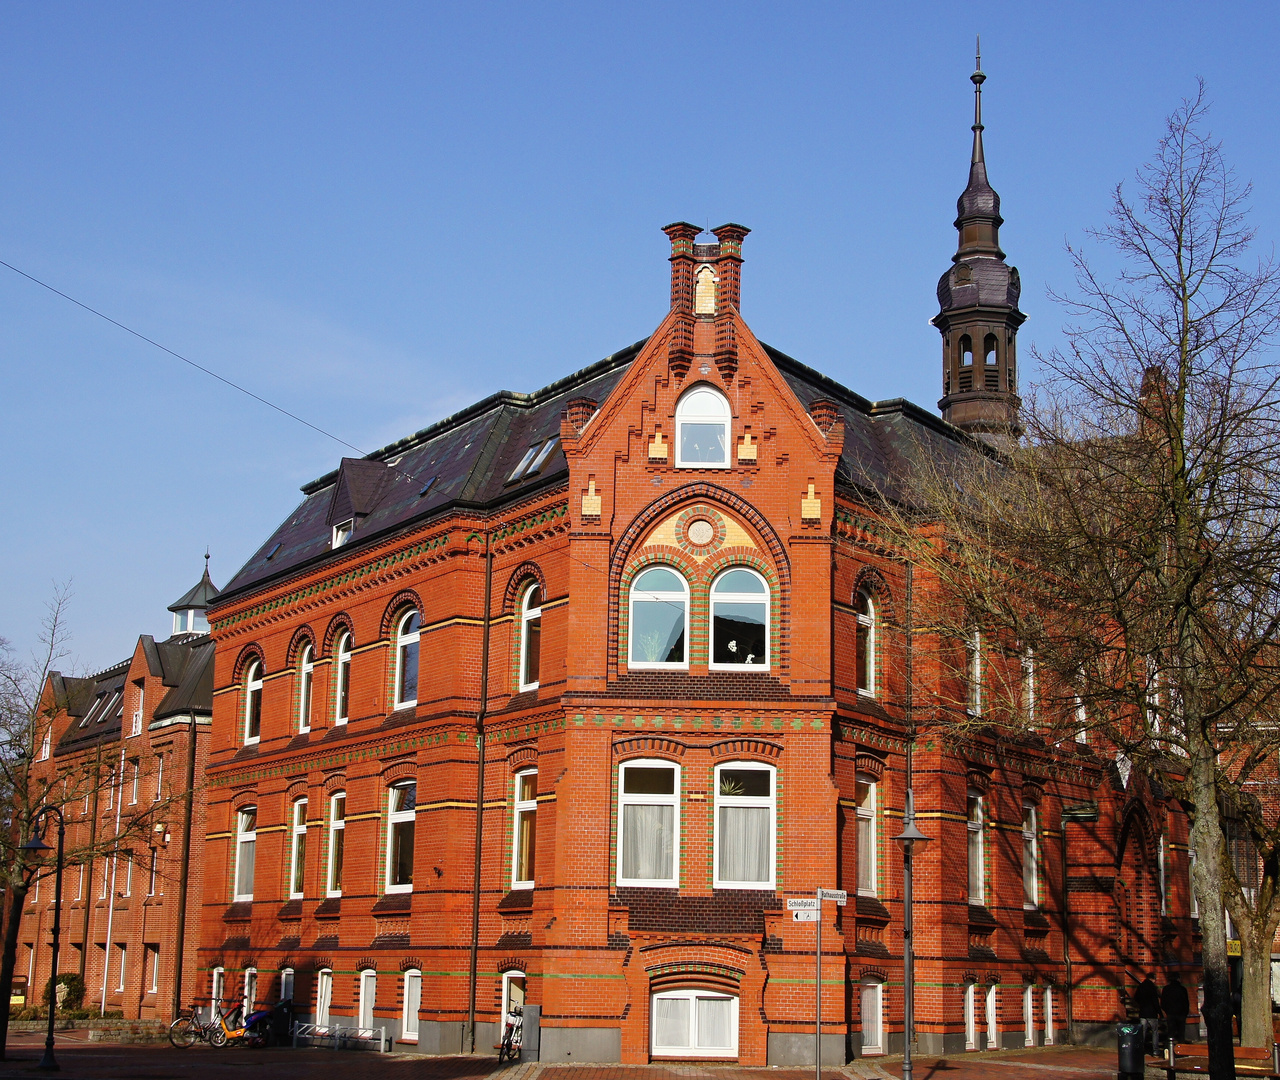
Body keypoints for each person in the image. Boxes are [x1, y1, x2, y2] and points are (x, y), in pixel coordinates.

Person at [1134, 972, 1163, 1054]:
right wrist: (1160, 1012)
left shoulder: (1141, 986)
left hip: (1143, 1012)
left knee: (1142, 1031)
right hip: (1152, 1012)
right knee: (1155, 1031)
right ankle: (1155, 1050)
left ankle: (1140, 1049)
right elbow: (1155, 1001)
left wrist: (1141, 1005)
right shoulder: (1153, 987)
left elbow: (1136, 997)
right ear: (1153, 979)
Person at [1162, 971, 1190, 1046]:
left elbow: (1163, 1002)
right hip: (1181, 1014)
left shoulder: (1166, 989)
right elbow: (1186, 1002)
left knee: (1170, 1033)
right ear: (1178, 978)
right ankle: (1181, 1049)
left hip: (1171, 1014)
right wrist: (1185, 1013)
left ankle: (1169, 1049)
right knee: (1181, 1033)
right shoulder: (1182, 989)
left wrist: (1167, 1011)